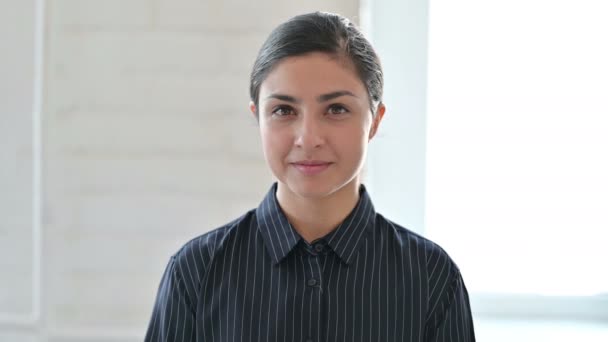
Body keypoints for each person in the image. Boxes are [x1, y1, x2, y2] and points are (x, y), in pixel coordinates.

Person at [144, 11, 475, 342]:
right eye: (284, 111)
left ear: (374, 121)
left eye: (336, 110)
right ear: (258, 117)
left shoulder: (432, 278)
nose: (308, 138)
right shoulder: (196, 272)